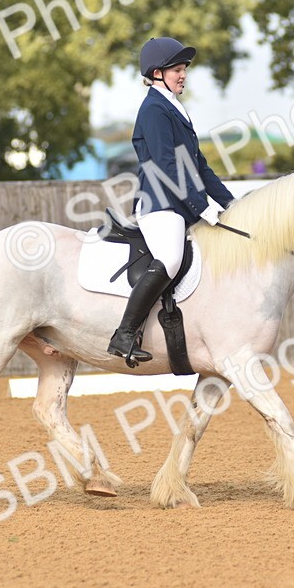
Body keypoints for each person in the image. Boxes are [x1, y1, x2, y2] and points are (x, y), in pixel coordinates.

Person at [106, 37, 236, 366]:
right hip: (158, 204)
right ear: (157, 72)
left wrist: (232, 205)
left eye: (184, 69)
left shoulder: (174, 108)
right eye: (177, 69)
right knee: (171, 258)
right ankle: (124, 333)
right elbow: (167, 166)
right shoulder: (153, 109)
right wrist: (201, 207)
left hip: (176, 204)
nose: (183, 75)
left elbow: (199, 167)